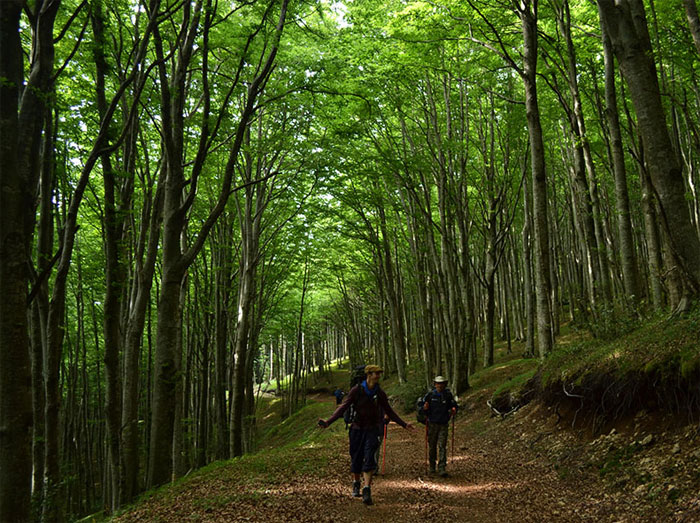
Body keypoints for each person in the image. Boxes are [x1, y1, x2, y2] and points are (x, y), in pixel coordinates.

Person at [318, 365, 414, 505]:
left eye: (379, 374)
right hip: (356, 429)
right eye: (376, 373)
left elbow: (389, 411)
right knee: (356, 458)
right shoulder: (356, 390)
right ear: (369, 375)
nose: (378, 376)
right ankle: (356, 482)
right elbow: (343, 407)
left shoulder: (379, 393)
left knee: (369, 457)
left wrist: (404, 424)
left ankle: (367, 488)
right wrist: (328, 422)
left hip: (372, 429)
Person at [422, 375, 458, 477]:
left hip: (443, 424)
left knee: (442, 445)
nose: (440, 385)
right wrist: (424, 408)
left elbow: (454, 405)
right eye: (438, 383)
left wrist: (454, 409)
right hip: (432, 424)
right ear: (435, 384)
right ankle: (432, 466)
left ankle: (442, 467)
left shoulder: (448, 395)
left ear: (444, 384)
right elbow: (421, 407)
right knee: (432, 446)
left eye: (441, 383)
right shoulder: (430, 395)